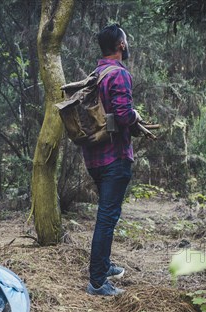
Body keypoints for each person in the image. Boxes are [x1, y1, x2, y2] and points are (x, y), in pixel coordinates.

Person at [84, 24, 140, 296]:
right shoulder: (118, 74)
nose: (127, 45)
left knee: (107, 215)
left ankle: (103, 265)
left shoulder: (97, 73)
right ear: (120, 45)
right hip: (114, 158)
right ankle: (96, 281)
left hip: (95, 157)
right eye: (126, 41)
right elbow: (122, 114)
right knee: (107, 218)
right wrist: (135, 117)